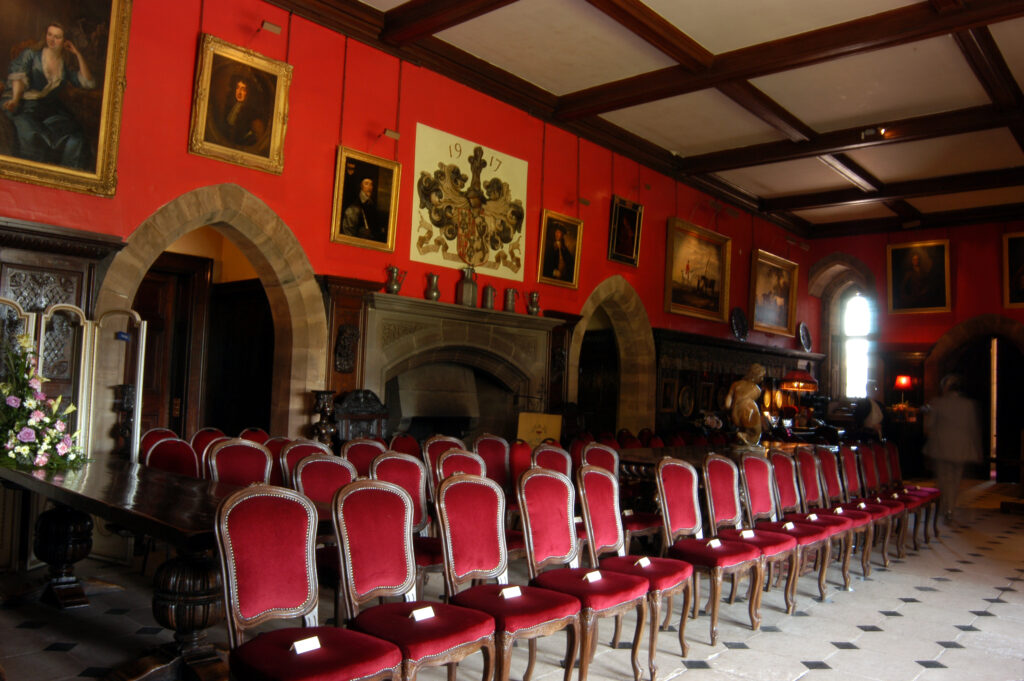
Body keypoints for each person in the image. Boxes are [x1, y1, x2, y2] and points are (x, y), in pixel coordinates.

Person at [2, 22, 96, 169]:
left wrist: (78, 54)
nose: (51, 40)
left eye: (57, 37)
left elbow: (88, 83)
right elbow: (18, 78)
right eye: (49, 34)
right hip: (24, 104)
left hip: (50, 109)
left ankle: (67, 175)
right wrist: (15, 99)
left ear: (65, 41)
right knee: (32, 136)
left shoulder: (64, 64)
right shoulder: (31, 54)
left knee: (76, 139)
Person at [922, 374, 982, 522]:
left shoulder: (938, 403)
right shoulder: (968, 405)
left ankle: (946, 507)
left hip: (941, 446)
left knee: (944, 479)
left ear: (945, 388)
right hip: (961, 447)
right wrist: (977, 449)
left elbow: (929, 425)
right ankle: (950, 507)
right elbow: (973, 428)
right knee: (955, 479)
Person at [217, 75, 266, 150]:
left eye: (243, 89)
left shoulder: (251, 113)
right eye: (238, 88)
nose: (239, 92)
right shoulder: (231, 106)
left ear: (248, 92)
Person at [724, 363, 766, 446]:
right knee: (756, 434)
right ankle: (744, 437)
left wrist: (728, 408)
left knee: (743, 428)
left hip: (735, 412)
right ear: (755, 375)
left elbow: (728, 402)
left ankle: (742, 437)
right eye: (761, 376)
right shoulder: (757, 389)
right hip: (749, 409)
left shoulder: (736, 384)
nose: (762, 379)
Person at [341, 177, 385, 241]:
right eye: (366, 184)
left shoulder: (371, 204)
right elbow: (348, 235)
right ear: (361, 186)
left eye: (371, 184)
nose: (369, 187)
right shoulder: (353, 208)